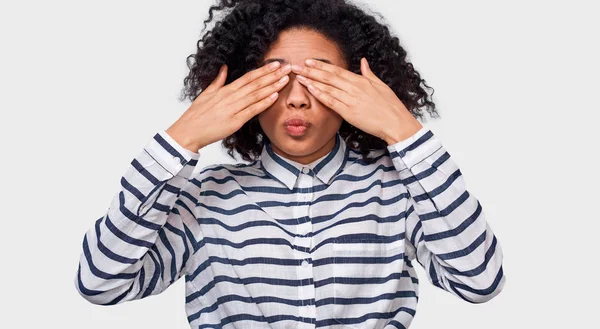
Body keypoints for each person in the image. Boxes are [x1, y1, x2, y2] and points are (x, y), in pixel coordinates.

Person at [74, 0, 506, 328]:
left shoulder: (397, 191)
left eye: (319, 78)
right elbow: (100, 283)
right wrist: (182, 138)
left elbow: (480, 281)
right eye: (276, 78)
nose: (297, 97)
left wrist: (404, 132)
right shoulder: (202, 198)